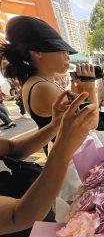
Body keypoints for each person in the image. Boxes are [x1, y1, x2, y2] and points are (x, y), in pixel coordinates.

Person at [0, 91, 97, 235]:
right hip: (24, 223)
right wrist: (63, 147)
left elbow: (13, 149)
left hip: (37, 201)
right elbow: (18, 216)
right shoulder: (40, 88)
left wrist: (55, 124)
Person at [0, 16, 98, 154]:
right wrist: (90, 88)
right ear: (37, 52)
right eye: (60, 48)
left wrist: (79, 92)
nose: (67, 55)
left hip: (61, 153)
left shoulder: (34, 82)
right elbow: (92, 124)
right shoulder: (43, 87)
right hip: (70, 158)